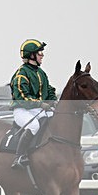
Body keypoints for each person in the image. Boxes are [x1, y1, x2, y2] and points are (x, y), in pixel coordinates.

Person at [10, 39, 57, 169]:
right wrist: (41, 104)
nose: (42, 55)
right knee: (34, 126)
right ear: (31, 55)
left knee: (54, 119)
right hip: (22, 110)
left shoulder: (41, 73)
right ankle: (18, 157)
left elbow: (49, 90)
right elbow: (22, 97)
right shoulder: (21, 74)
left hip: (38, 109)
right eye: (39, 52)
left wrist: (53, 100)